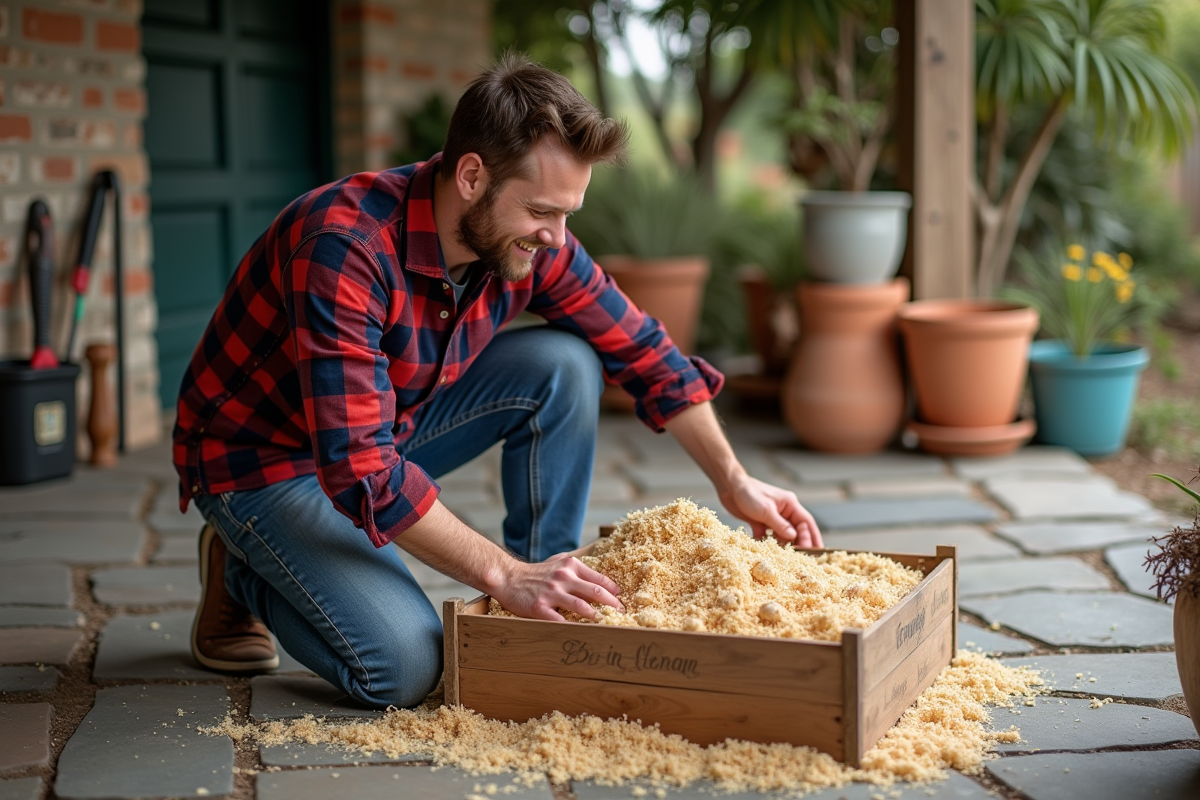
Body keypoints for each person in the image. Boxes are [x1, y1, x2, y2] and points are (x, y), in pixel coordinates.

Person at [174, 52, 822, 709]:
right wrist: (501, 573)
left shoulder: (528, 238)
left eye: (569, 213)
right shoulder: (345, 247)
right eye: (543, 211)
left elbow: (644, 350)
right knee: (402, 669)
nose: (557, 237)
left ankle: (544, 604)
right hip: (261, 463)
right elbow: (362, 471)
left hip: (380, 425)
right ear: (473, 176)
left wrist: (734, 480)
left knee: (567, 365)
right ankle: (243, 567)